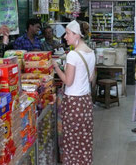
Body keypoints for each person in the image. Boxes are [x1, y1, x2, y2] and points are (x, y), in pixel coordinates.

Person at [53, 20, 95, 164]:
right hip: (85, 101)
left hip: (73, 102)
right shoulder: (91, 52)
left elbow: (68, 81)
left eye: (68, 33)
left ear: (77, 35)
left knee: (71, 140)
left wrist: (56, 68)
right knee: (83, 139)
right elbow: (91, 78)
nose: (65, 37)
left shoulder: (73, 55)